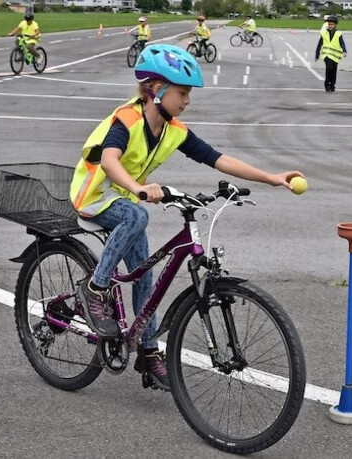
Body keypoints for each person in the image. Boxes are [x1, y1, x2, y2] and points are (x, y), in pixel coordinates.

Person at [70, 44, 303, 390]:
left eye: (188, 93)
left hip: (126, 200)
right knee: (137, 216)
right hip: (95, 196)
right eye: (182, 92)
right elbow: (109, 161)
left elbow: (217, 158)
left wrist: (270, 177)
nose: (187, 100)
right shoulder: (127, 120)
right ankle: (95, 289)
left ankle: (148, 352)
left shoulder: (172, 129)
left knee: (145, 278)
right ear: (157, 90)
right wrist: (138, 188)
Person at [315, 16, 346, 93]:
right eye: (329, 24)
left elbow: (342, 43)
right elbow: (320, 44)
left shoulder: (338, 34)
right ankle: (327, 84)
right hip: (327, 55)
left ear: (335, 25)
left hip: (335, 56)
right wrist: (317, 54)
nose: (330, 26)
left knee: (334, 71)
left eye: (331, 24)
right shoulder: (324, 33)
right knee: (329, 69)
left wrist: (344, 51)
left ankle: (332, 85)